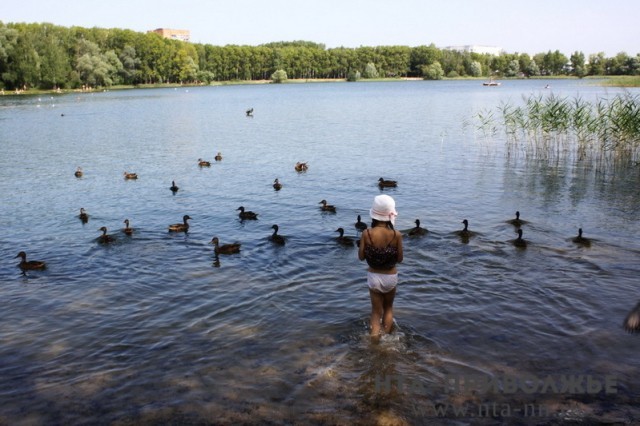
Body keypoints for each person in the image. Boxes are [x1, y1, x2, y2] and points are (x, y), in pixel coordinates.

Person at [358, 194, 403, 340]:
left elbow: (361, 257)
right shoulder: (397, 234)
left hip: (373, 277)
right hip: (390, 277)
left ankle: (374, 340)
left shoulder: (367, 233)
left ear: (374, 215)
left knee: (376, 312)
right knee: (388, 308)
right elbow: (400, 259)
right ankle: (388, 340)